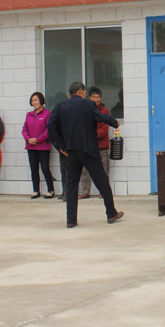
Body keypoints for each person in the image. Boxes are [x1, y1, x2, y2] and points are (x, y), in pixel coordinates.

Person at [47, 82, 123, 228]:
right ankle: (111, 213)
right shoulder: (88, 104)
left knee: (71, 185)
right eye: (84, 92)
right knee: (102, 181)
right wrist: (114, 122)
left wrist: (61, 146)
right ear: (80, 91)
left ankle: (71, 220)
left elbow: (51, 127)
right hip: (89, 150)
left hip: (71, 151)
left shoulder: (60, 107)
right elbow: (100, 117)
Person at [78, 87, 111, 199]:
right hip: (87, 146)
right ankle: (85, 192)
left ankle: (104, 192)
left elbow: (104, 129)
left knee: (103, 170)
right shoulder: (84, 110)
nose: (96, 99)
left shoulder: (104, 111)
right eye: (94, 97)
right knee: (85, 170)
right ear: (89, 98)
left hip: (101, 146)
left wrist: (90, 136)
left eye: (98, 97)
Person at [23, 92, 55, 199]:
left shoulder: (47, 114)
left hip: (43, 147)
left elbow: (48, 130)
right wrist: (28, 139)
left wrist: (38, 140)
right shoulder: (29, 115)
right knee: (34, 169)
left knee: (45, 168)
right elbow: (24, 129)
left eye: (36, 100)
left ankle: (50, 190)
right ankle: (36, 190)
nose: (34, 102)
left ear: (41, 100)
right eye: (32, 100)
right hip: (31, 146)